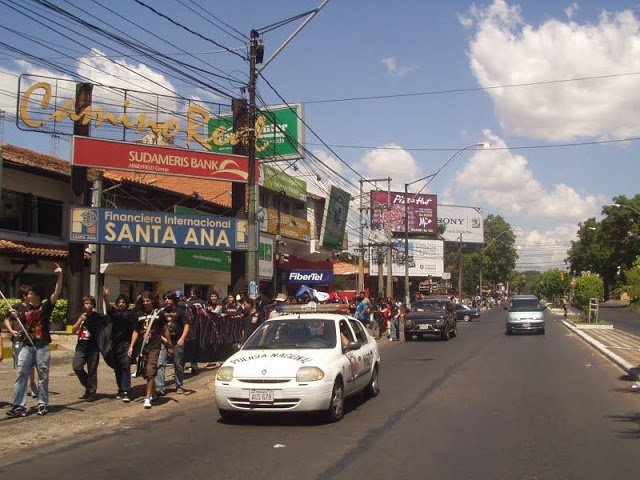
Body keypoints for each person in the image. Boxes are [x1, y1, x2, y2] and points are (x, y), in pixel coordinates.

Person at [6, 263, 63, 418]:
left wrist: (60, 275)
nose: (28, 296)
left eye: (30, 294)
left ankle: (42, 404)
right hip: (26, 346)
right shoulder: (24, 309)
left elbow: (56, 292)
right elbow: (18, 323)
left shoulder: (45, 308)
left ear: (37, 295)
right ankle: (19, 405)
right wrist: (14, 315)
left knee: (43, 377)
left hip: (41, 347)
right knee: (21, 375)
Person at [128, 291, 171, 409]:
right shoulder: (139, 314)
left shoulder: (159, 314)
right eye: (144, 301)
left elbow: (165, 329)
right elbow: (136, 331)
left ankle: (147, 398)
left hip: (155, 346)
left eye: (148, 301)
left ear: (152, 301)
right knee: (146, 373)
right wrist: (131, 346)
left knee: (150, 371)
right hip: (143, 348)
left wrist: (169, 343)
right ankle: (153, 393)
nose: (146, 303)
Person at [3, 284, 38, 399]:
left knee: (31, 363)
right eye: (29, 294)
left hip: (29, 339)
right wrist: (11, 331)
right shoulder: (16, 308)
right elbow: (6, 320)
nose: (31, 296)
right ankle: (22, 387)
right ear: (24, 296)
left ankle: (32, 384)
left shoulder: (33, 308)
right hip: (18, 339)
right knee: (20, 364)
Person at [103, 287, 136, 402]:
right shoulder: (114, 313)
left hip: (126, 343)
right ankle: (121, 389)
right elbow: (108, 307)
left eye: (123, 302)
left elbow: (135, 329)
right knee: (117, 367)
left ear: (126, 304)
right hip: (115, 344)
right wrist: (105, 296)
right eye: (119, 302)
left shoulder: (131, 314)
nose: (121, 304)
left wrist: (132, 345)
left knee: (125, 366)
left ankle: (127, 390)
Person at [155, 292, 191, 395]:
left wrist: (182, 338)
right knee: (160, 364)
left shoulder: (180, 311)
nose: (167, 301)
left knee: (178, 364)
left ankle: (179, 386)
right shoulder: (161, 312)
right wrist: (162, 338)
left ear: (174, 300)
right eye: (165, 299)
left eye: (169, 299)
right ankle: (160, 387)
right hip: (164, 342)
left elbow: (187, 325)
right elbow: (156, 327)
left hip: (177, 342)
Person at [71, 295, 104, 402]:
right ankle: (88, 387)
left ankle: (91, 392)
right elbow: (73, 330)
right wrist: (80, 319)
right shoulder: (80, 315)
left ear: (93, 305)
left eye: (90, 303)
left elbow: (101, 330)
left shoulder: (97, 317)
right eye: (86, 303)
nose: (88, 306)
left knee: (92, 370)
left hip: (93, 347)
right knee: (77, 366)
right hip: (81, 346)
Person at [185, 287, 205, 375]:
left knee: (194, 346)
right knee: (186, 347)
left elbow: (203, 312)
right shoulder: (187, 302)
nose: (192, 295)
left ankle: (194, 365)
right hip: (187, 327)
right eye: (191, 293)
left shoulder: (200, 302)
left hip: (197, 328)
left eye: (194, 294)